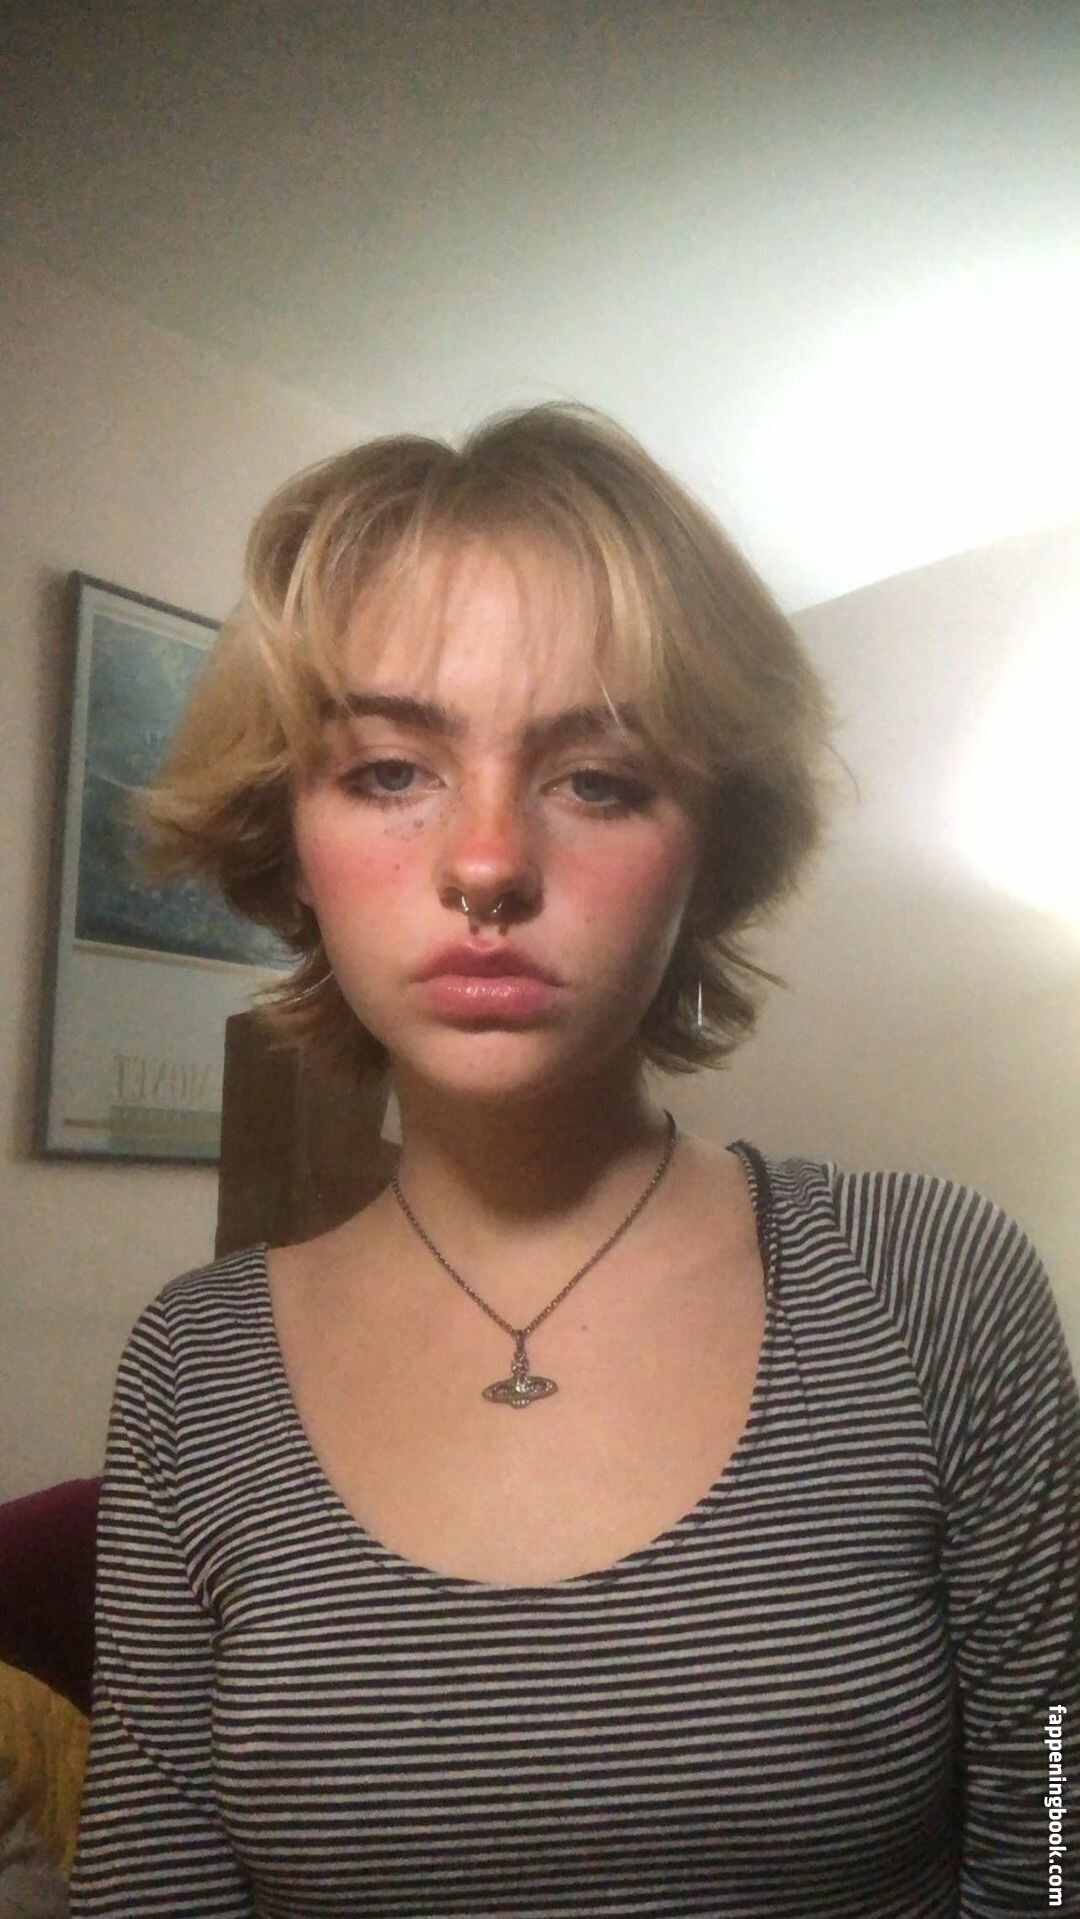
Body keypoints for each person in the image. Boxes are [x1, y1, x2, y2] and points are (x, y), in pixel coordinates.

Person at [69, 403, 1079, 1917]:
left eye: (597, 777)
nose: (485, 863)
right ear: (287, 837)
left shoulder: (932, 1287)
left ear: (709, 848)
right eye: (390, 769)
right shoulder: (191, 1374)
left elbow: (1057, 1820)